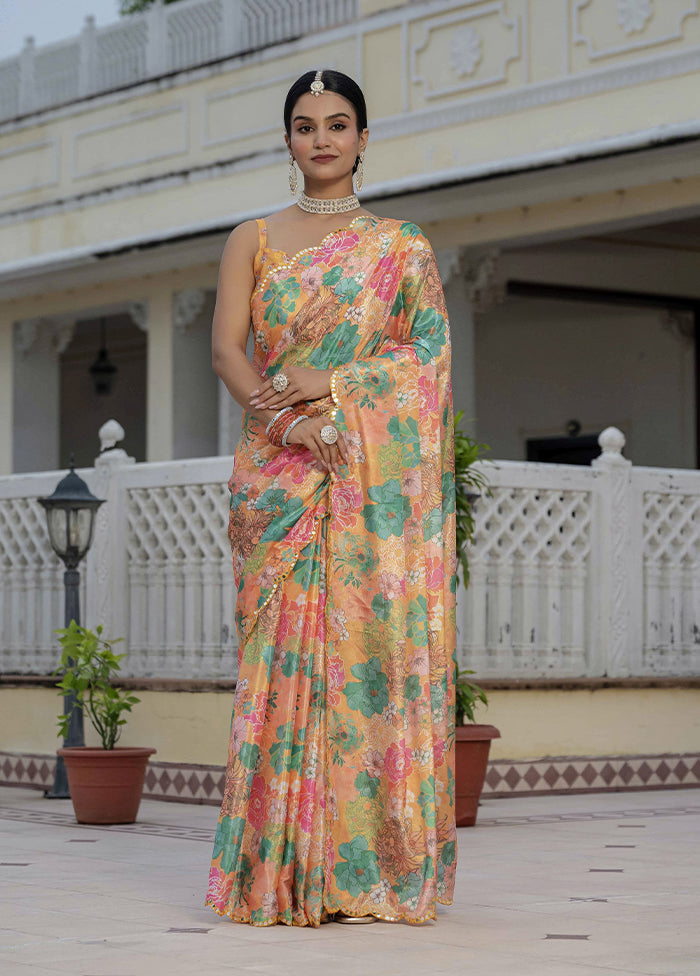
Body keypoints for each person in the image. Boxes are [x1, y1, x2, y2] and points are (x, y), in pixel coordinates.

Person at [205, 68, 457, 928]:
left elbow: (427, 360)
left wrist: (336, 385)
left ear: (361, 137)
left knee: (367, 665)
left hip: (363, 482)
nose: (321, 138)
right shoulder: (252, 237)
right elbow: (228, 353)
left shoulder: (401, 246)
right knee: (276, 672)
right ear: (287, 139)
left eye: (338, 123)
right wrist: (288, 424)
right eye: (305, 124)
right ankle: (276, 875)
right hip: (279, 478)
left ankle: (358, 874)